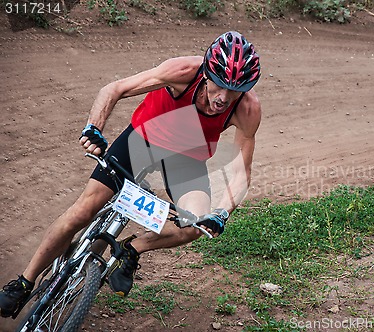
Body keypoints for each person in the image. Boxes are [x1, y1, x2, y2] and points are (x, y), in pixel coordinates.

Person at [0, 30, 261, 317]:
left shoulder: (248, 109)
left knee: (194, 226)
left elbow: (241, 173)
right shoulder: (183, 71)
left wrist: (221, 213)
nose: (224, 97)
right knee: (84, 210)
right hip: (143, 140)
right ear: (207, 73)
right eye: (219, 85)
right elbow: (115, 89)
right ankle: (23, 283)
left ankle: (132, 249)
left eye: (235, 89)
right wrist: (93, 128)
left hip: (186, 159)